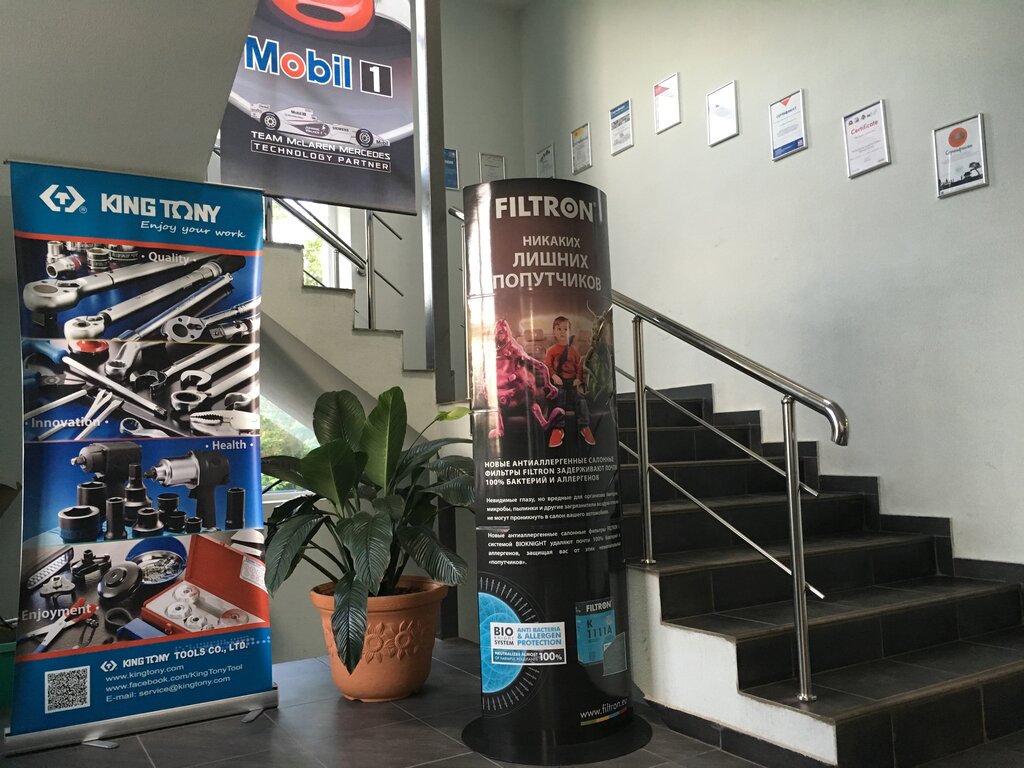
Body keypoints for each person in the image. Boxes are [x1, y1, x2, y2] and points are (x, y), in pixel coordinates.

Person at [544, 316, 596, 448]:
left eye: (565, 329)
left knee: (580, 399)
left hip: (572, 382)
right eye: (559, 329)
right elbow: (547, 366)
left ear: (569, 332)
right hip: (559, 382)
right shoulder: (551, 350)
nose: (562, 332)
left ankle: (584, 426)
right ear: (554, 331)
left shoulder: (573, 351)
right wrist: (554, 376)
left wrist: (578, 379)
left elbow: (579, 366)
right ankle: (558, 429)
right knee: (559, 398)